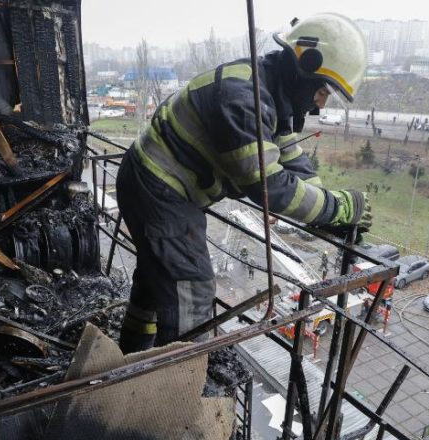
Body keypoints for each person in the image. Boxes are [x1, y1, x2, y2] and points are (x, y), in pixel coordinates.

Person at [115, 14, 372, 353]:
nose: (320, 104)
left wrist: (324, 206)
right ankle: (173, 389)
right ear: (304, 67)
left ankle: (130, 357)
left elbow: (290, 155)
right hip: (158, 190)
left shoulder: (270, 89)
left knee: (155, 281)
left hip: (154, 183)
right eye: (323, 90)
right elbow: (271, 187)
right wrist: (338, 207)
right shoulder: (244, 99)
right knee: (192, 291)